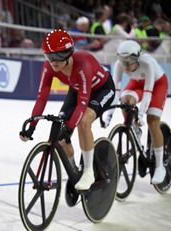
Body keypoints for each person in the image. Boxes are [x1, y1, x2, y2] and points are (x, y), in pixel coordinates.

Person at [20, 29, 115, 191]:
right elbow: (41, 98)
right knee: (61, 134)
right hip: (77, 88)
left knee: (83, 122)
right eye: (49, 56)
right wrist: (32, 126)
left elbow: (82, 104)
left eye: (57, 57)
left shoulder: (82, 63)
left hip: (102, 89)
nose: (53, 62)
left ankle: (88, 171)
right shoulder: (49, 67)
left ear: (69, 54)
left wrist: (70, 127)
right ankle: (74, 172)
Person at [103, 40, 168, 184]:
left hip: (157, 85)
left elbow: (147, 95)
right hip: (137, 83)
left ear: (138, 57)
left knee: (152, 121)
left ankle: (159, 167)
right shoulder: (120, 65)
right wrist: (108, 115)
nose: (125, 65)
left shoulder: (147, 64)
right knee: (125, 101)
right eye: (122, 61)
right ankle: (135, 129)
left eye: (129, 61)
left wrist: (141, 114)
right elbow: (116, 92)